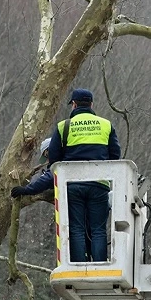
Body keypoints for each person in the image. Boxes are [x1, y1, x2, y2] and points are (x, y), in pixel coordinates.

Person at [46, 88, 121, 262]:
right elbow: (115, 155)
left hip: (72, 185)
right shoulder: (106, 125)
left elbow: (54, 158)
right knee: (98, 230)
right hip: (99, 184)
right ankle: (101, 264)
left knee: (77, 228)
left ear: (74, 104)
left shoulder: (63, 126)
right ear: (91, 104)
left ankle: (79, 265)